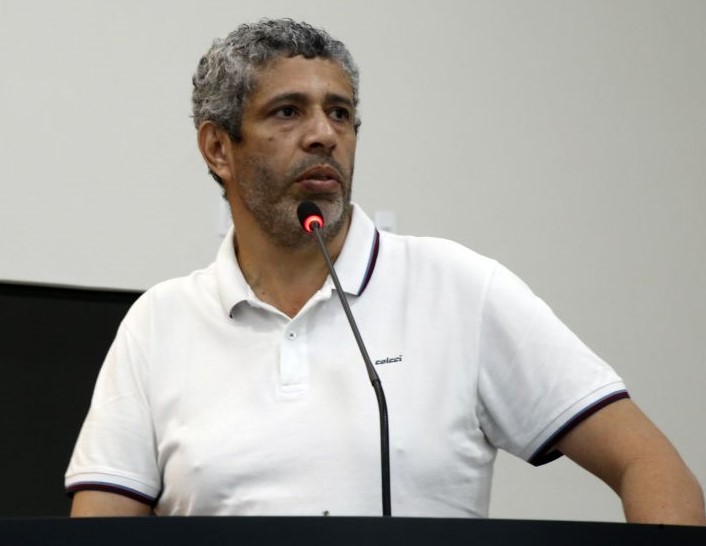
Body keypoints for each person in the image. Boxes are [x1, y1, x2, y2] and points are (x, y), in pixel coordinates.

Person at [66, 18, 705, 524]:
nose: (324, 134)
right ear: (217, 147)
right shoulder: (159, 323)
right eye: (288, 111)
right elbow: (100, 525)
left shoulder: (458, 288)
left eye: (340, 113)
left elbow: (648, 463)